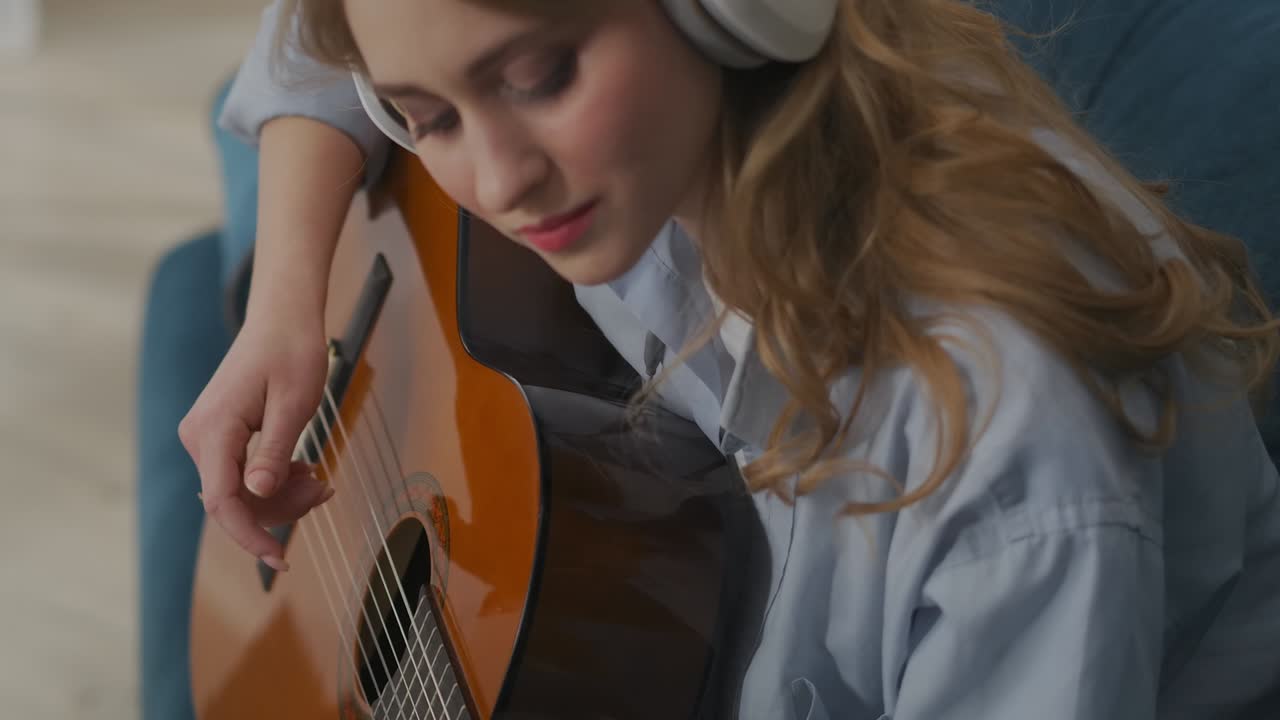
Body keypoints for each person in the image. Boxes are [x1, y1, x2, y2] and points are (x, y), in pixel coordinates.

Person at [179, 0, 1280, 716]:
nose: (500, 185)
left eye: (540, 75)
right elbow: (316, 43)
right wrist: (283, 311)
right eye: (426, 118)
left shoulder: (1008, 453)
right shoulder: (645, 155)